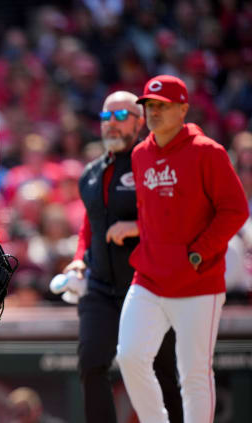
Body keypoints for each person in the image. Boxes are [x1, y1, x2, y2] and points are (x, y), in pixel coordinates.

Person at [116, 75, 249, 422]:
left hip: (197, 280)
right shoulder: (141, 154)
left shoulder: (208, 151)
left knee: (193, 374)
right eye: (148, 106)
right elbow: (153, 214)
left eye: (162, 106)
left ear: (183, 109)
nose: (154, 112)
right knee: (129, 356)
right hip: (149, 277)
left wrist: (199, 252)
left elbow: (235, 210)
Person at [61, 90, 183, 422]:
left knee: (164, 370)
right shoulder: (91, 173)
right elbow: (91, 223)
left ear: (140, 121)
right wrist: (78, 258)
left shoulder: (154, 163)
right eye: (105, 117)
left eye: (120, 117)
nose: (111, 125)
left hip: (147, 286)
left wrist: (136, 226)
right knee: (91, 363)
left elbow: (176, 215)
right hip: (100, 287)